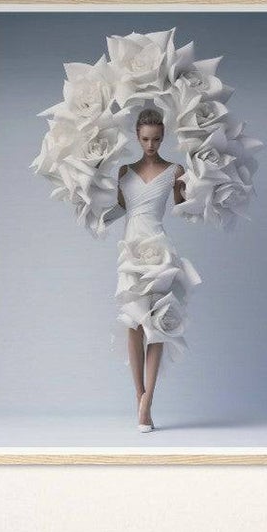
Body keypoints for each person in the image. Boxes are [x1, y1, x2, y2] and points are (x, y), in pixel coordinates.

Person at [107, 107, 199, 432]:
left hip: (159, 251)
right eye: (145, 139)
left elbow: (184, 208)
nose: (150, 145)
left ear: (163, 137)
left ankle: (147, 402)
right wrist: (88, 206)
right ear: (137, 136)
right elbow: (119, 209)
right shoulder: (124, 172)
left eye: (157, 139)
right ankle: (139, 396)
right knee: (133, 324)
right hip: (130, 251)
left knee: (158, 325)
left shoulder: (174, 171)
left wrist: (198, 185)